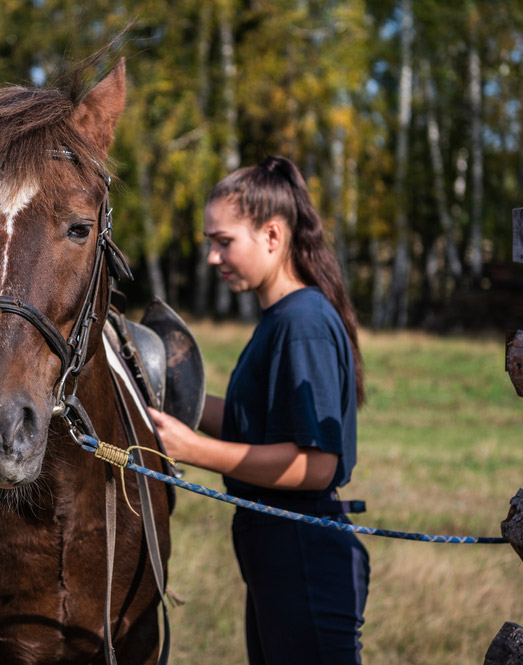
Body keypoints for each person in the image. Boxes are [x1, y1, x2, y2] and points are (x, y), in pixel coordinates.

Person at [149, 155, 369, 665]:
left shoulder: (303, 323)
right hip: (278, 553)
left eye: (223, 241)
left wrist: (195, 450)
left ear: (272, 236)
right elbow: (258, 428)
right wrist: (165, 397)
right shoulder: (281, 318)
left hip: (304, 556)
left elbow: (318, 467)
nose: (212, 257)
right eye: (210, 242)